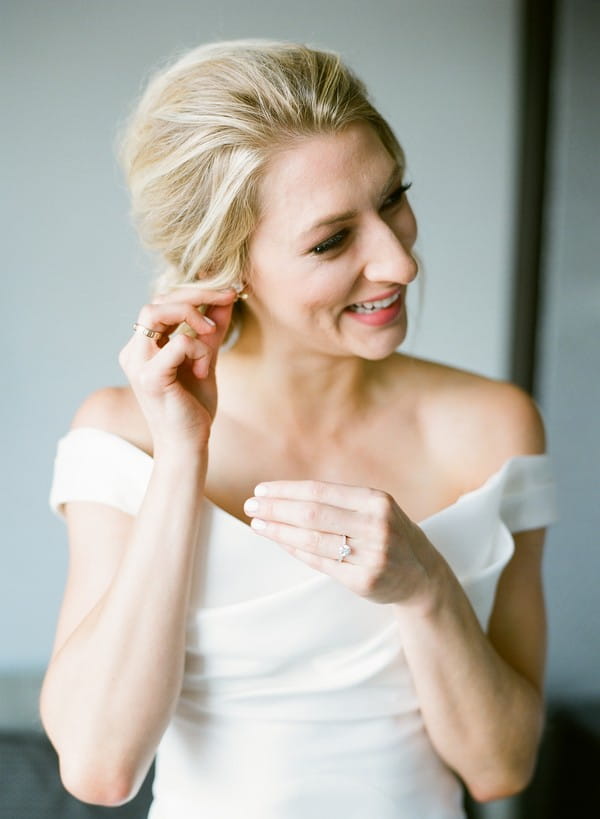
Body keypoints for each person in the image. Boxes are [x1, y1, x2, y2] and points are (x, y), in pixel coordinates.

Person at [41, 40, 557, 818]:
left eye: (392, 199)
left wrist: (424, 586)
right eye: (331, 240)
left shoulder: (492, 427)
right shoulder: (126, 437)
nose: (399, 262)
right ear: (227, 266)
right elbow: (99, 767)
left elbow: (501, 767)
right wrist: (183, 456)